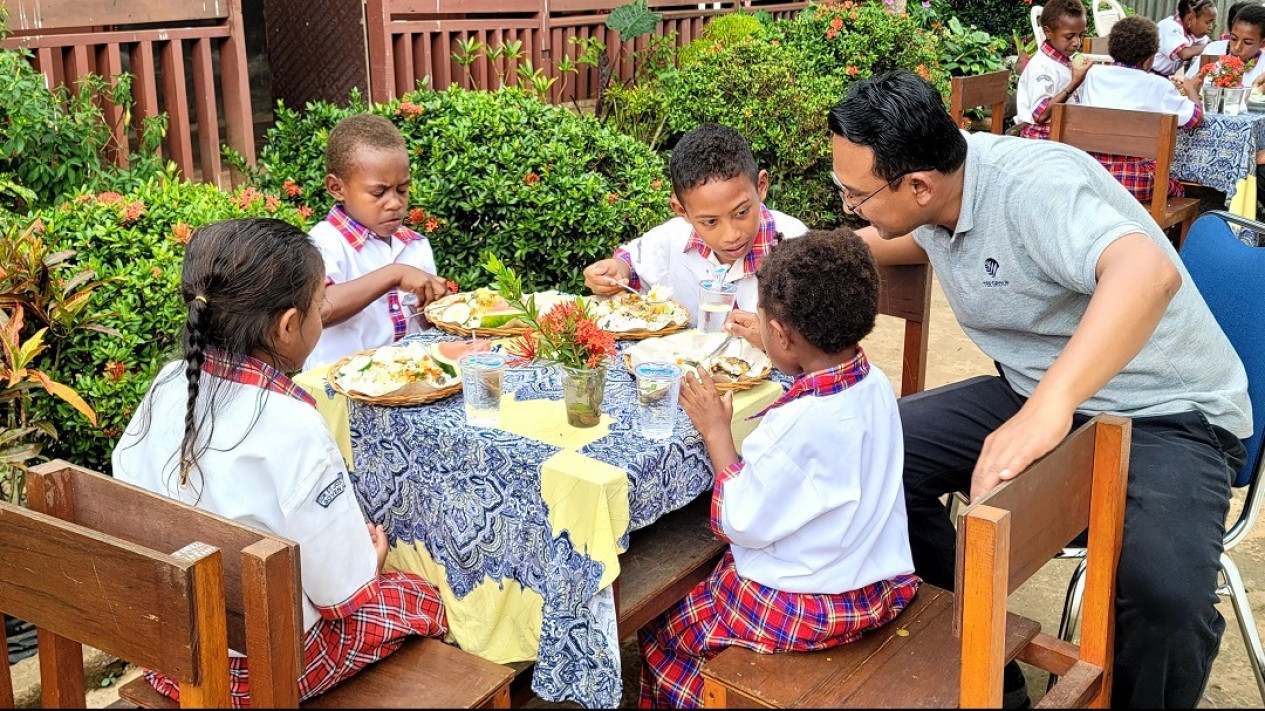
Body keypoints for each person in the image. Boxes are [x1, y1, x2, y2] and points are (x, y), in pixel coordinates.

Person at [829, 71, 1251, 708]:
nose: (848, 207)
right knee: (873, 452)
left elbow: (1148, 271)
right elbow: (908, 234)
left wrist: (1050, 406)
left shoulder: (1033, 187)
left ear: (917, 185)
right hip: (1040, 394)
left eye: (855, 195)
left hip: (1167, 412)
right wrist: (799, 254)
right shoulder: (939, 191)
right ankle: (985, 671)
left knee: (1164, 592)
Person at [113, 219, 448, 707]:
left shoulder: (167, 384)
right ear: (288, 325)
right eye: (320, 305)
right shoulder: (293, 422)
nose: (322, 314)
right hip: (262, 673)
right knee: (423, 597)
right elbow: (341, 592)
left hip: (171, 656)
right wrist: (369, 561)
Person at [638, 229, 918, 709]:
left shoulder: (796, 425)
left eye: (765, 324)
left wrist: (716, 433)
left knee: (662, 632)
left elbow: (739, 523)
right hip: (876, 586)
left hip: (807, 604)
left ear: (783, 335)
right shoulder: (874, 382)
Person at [582, 123, 806, 336]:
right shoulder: (673, 238)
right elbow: (631, 263)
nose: (731, 235)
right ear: (682, 211)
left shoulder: (798, 246)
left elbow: (818, 342)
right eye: (710, 222)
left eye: (741, 212)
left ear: (761, 186)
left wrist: (771, 341)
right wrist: (615, 272)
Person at [304, 114, 451, 370]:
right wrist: (394, 274)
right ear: (337, 188)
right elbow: (319, 309)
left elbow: (424, 324)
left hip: (406, 378)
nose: (394, 203)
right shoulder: (324, 242)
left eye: (402, 190)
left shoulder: (415, 246)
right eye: (378, 192)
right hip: (337, 383)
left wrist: (437, 306)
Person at [1076, 16, 1204, 204]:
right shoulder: (1158, 85)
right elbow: (1196, 119)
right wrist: (1191, 88)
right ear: (1149, 59)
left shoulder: (1093, 75)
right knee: (1179, 187)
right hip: (1135, 183)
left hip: (1091, 175)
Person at [1015, 0, 1090, 140]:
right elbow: (1040, 115)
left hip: (1062, 131)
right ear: (1048, 32)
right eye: (1069, 37)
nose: (1076, 42)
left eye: (1081, 35)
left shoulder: (1063, 58)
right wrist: (1074, 83)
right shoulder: (1042, 66)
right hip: (1042, 139)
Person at [1201, 4, 1265, 88]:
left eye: (1247, 42)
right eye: (1233, 38)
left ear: (1263, 43)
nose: (1237, 48)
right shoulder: (1216, 58)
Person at [1155, 0, 1217, 76]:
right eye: (1207, 22)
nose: (1211, 27)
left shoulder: (1192, 33)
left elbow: (1211, 46)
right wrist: (1212, 46)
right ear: (1190, 19)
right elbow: (1185, 53)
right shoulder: (1168, 26)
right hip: (1147, 74)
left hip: (1163, 76)